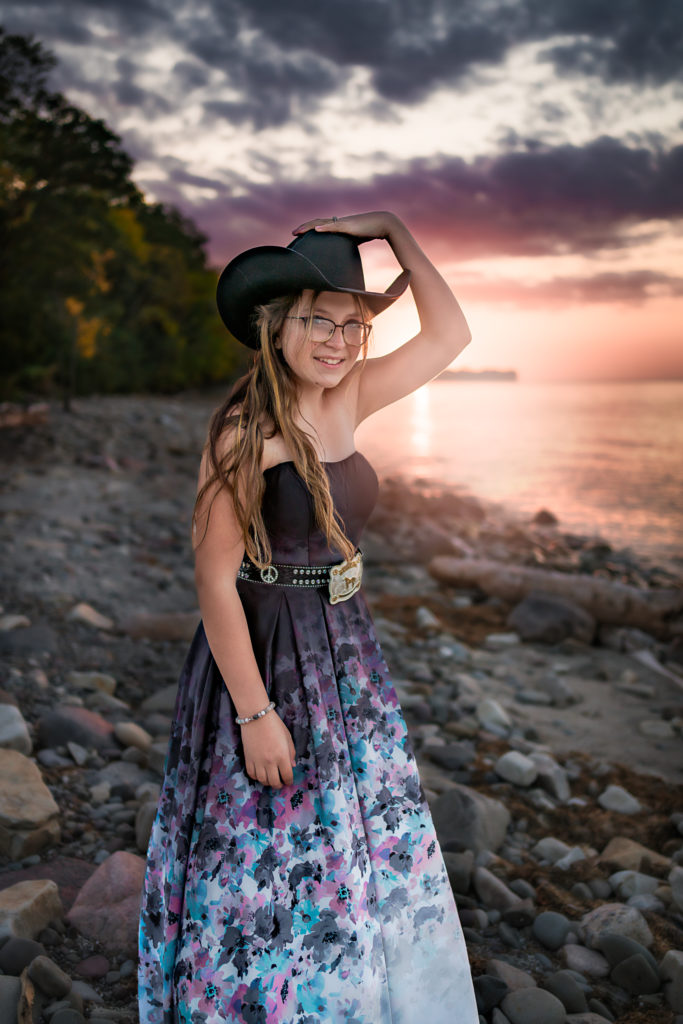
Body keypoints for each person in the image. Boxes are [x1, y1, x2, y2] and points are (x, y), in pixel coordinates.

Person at [137, 211, 479, 1024]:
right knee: (269, 839)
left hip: (346, 651)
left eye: (354, 325)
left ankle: (351, 991)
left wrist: (394, 229)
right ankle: (264, 998)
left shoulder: (349, 393)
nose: (337, 341)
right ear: (275, 326)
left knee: (350, 831)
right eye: (318, 320)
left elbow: (451, 332)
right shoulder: (242, 434)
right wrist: (255, 715)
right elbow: (215, 581)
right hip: (267, 651)